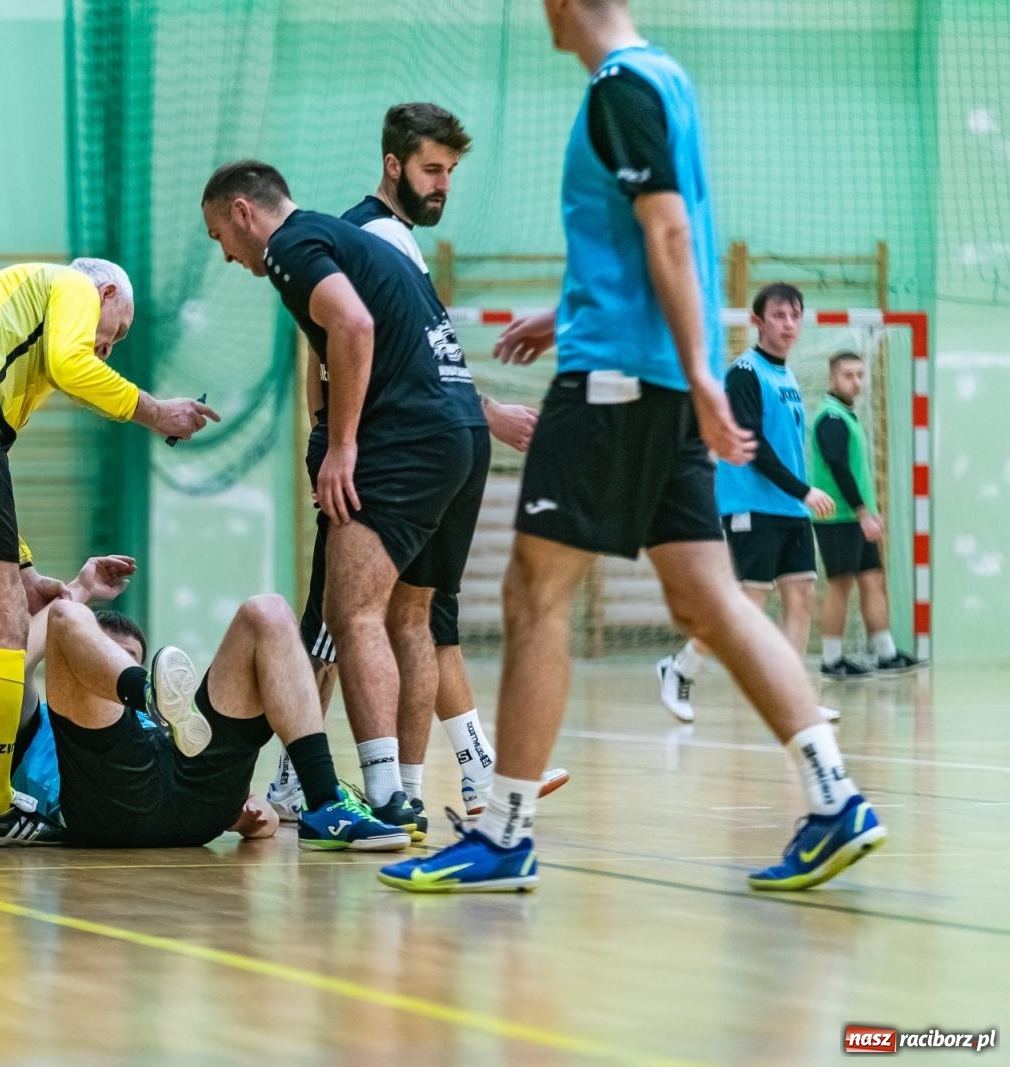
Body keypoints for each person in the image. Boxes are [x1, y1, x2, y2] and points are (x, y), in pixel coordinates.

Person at [381, 0, 884, 894]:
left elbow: (671, 232)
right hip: (645, 377)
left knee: (533, 593)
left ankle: (503, 832)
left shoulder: (619, 88)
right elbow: (635, 236)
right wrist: (570, 311)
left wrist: (696, 371)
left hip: (619, 387)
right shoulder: (669, 79)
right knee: (710, 601)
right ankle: (833, 794)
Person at [272, 102, 566, 823]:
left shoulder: (397, 238)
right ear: (393, 165)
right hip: (378, 451)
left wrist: (479, 410)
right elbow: (333, 347)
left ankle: (446, 774)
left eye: (452, 173)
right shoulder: (372, 232)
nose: (443, 185)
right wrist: (328, 437)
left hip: (411, 441)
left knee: (402, 616)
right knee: (338, 620)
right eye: (433, 170)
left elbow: (422, 355)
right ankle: (304, 778)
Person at [0, 258, 218, 845]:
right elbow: (73, 363)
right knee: (0, 629)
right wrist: (156, 412)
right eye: (115, 331)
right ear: (105, 293)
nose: (107, 350)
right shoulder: (71, 285)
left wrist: (21, 566)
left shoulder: (7, 341)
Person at [203, 160, 486, 840]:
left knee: (350, 612)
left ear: (245, 212)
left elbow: (352, 329)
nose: (225, 253)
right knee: (411, 618)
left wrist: (343, 444)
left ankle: (383, 797)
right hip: (462, 431)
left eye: (219, 235)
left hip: (407, 437)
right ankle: (407, 793)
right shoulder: (352, 241)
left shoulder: (292, 247)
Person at [0, 554, 409, 851]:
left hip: (195, 798)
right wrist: (78, 590)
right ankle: (144, 692)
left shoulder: (184, 726)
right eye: (102, 655)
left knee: (269, 611)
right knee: (66, 617)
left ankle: (325, 803)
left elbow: (261, 825)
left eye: (126, 659)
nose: (108, 663)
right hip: (109, 800)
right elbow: (16, 658)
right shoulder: (33, 720)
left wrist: (247, 815)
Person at [656, 283, 840, 723]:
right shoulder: (744, 372)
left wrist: (797, 496)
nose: (789, 323)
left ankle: (794, 699)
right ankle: (680, 668)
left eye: (795, 315)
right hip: (752, 508)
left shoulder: (788, 376)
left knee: (801, 598)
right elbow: (752, 443)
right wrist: (804, 490)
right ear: (757, 322)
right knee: (745, 604)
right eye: (779, 315)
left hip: (790, 511)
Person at [810, 351, 923, 675]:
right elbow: (838, 467)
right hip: (838, 517)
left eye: (860, 374)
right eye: (848, 375)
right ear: (832, 379)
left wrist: (871, 512)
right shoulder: (830, 418)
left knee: (873, 580)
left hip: (858, 517)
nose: (856, 381)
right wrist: (862, 512)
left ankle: (886, 653)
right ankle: (831, 660)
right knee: (841, 585)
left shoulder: (847, 416)